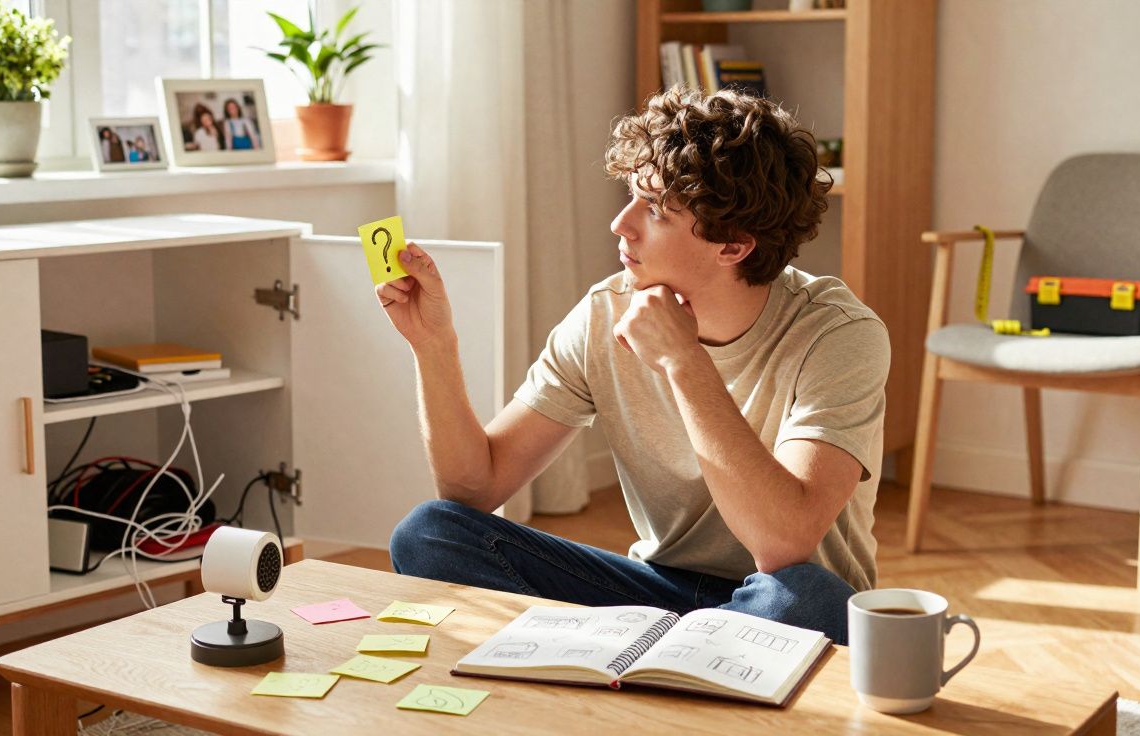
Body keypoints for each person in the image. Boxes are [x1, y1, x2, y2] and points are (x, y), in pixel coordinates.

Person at [380, 88, 890, 645]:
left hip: (776, 596)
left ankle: (631, 658)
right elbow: (475, 490)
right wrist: (433, 346)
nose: (620, 224)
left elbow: (784, 544)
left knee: (810, 599)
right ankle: (672, 659)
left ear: (734, 245)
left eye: (654, 209)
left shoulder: (839, 334)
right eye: (630, 196)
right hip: (657, 592)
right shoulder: (606, 311)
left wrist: (683, 359)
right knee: (431, 532)